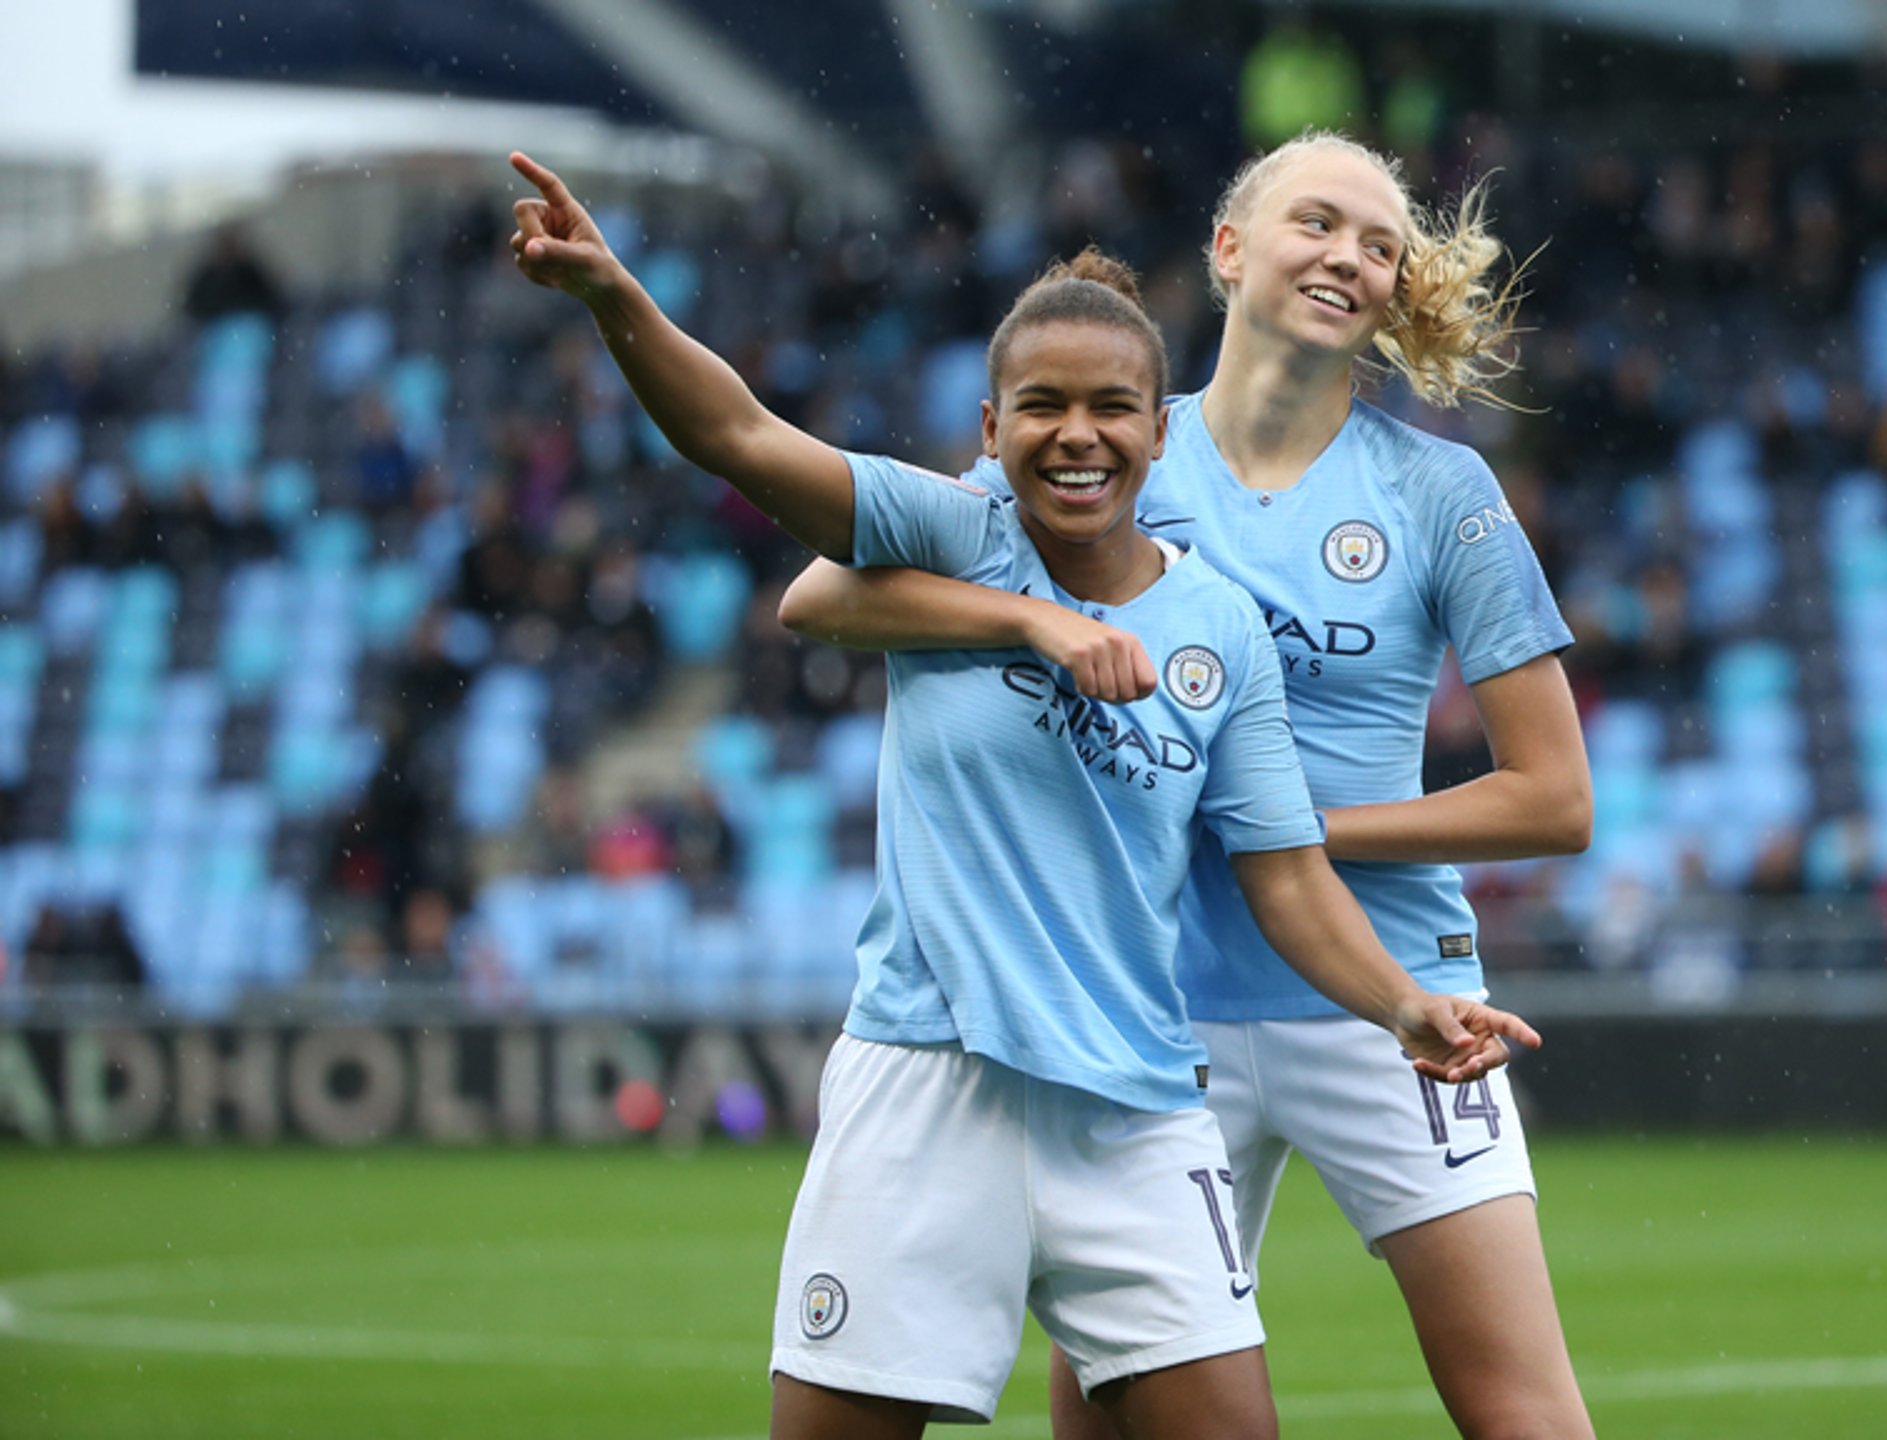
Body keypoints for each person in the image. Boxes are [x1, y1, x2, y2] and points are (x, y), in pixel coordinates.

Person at [505, 152, 1539, 1440]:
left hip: (1140, 1104)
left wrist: (1405, 1007)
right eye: (1040, 407)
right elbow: (741, 441)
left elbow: (1284, 874)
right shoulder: (958, 537)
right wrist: (618, 302)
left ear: (1157, 434)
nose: (1078, 434)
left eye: (1113, 408)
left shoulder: (1224, 629)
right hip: (929, 1082)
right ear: (989, 434)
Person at [779, 132, 1597, 1439]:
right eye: (1316, 222)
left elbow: (1556, 802)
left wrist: (1291, 829)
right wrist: (1027, 626)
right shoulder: (1107, 441)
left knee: (1526, 1416)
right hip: (1149, 1018)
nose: (1349, 256)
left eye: (1380, 243)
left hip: (1385, 990)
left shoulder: (1444, 491)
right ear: (1227, 249)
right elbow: (839, 595)